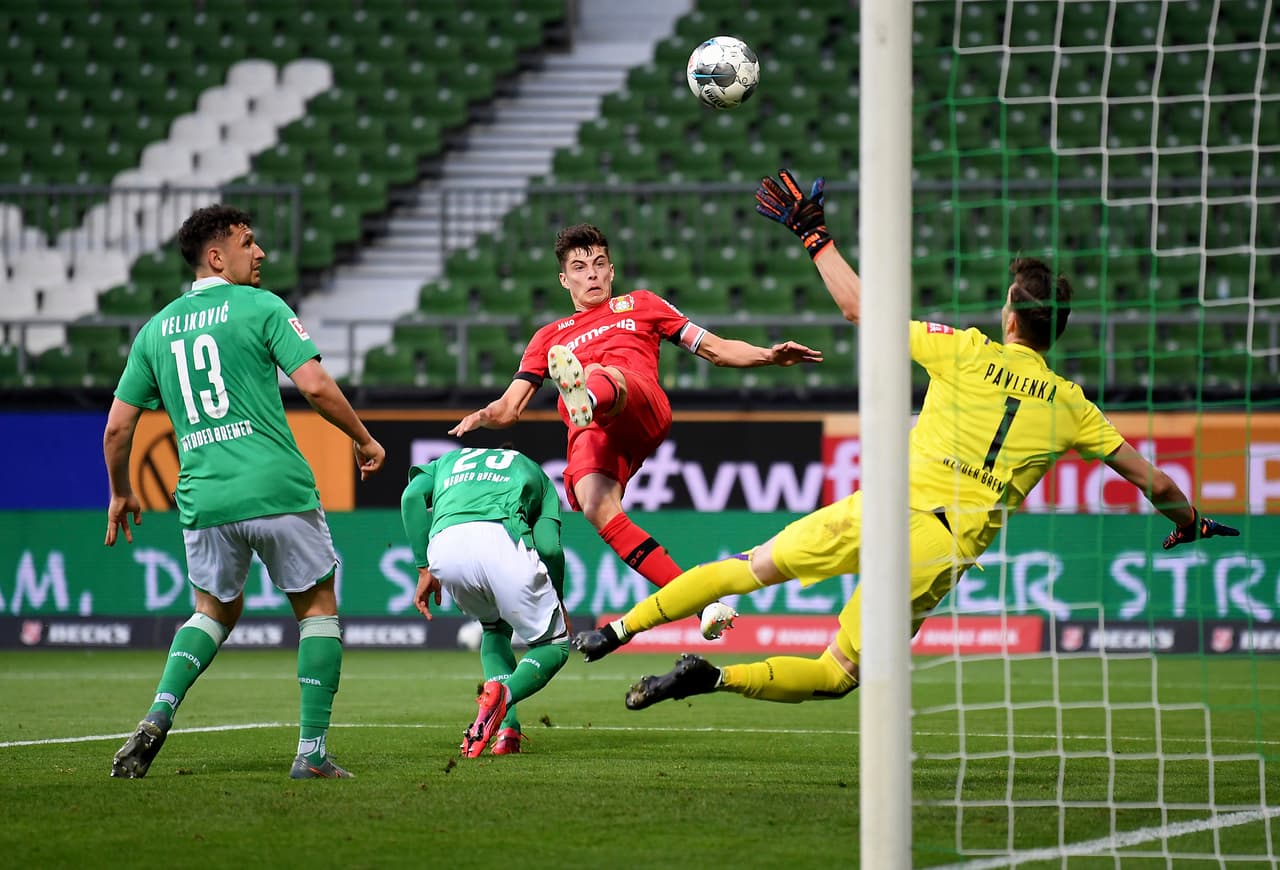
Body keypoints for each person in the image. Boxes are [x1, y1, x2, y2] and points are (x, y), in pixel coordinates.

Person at [572, 169, 1241, 710]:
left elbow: (861, 309)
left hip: (882, 505)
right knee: (836, 674)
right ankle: (715, 678)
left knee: (746, 568)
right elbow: (1155, 483)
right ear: (1053, 332)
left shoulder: (964, 350)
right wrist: (1189, 520)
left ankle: (618, 629)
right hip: (939, 543)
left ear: (1009, 314)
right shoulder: (1073, 406)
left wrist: (815, 238)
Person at [104, 204, 385, 779]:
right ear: (217, 256)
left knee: (212, 611)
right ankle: (310, 755)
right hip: (276, 488)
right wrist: (363, 438)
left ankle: (159, 713)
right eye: (248, 243)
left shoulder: (154, 330)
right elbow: (316, 386)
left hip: (204, 499)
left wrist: (121, 491)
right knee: (317, 609)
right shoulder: (262, 307)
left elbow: (117, 428)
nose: (260, 253)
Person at [448, 223, 823, 641]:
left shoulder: (641, 304)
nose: (591, 274)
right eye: (579, 267)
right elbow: (510, 407)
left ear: (611, 271)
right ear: (563, 279)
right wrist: (486, 415)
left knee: (598, 373)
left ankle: (587, 394)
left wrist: (768, 356)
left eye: (599, 264)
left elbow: (715, 349)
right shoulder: (547, 337)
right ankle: (703, 605)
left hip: (638, 402)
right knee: (595, 505)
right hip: (592, 430)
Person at [401, 445, 570, 757]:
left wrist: (423, 567)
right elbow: (550, 548)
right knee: (554, 646)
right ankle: (503, 698)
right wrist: (558, 598)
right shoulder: (533, 470)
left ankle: (508, 733)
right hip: (502, 539)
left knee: (494, 630)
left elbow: (411, 498)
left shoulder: (449, 461)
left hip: (446, 547)